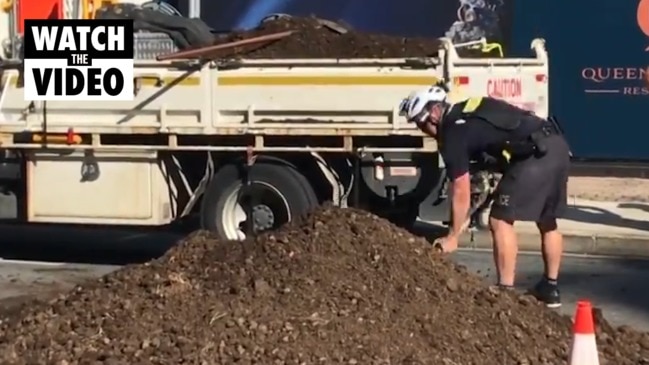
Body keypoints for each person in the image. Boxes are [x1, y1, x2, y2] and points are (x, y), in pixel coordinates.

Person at [399, 85, 570, 308]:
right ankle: (550, 287)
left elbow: (461, 189)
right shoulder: (470, 110)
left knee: (499, 220)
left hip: (533, 156)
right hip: (556, 145)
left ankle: (504, 292)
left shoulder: (452, 133)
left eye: (420, 123)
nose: (422, 129)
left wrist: (452, 235)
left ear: (433, 113)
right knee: (547, 220)